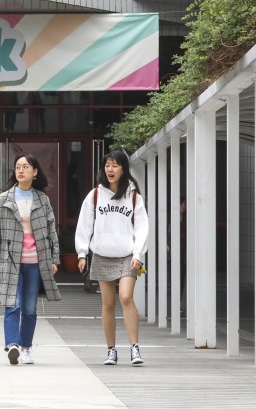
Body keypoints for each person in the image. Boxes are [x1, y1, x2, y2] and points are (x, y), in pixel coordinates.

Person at [0, 153, 62, 365]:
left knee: (29, 308)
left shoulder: (42, 200)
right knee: (12, 304)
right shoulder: (4, 199)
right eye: (18, 166)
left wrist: (54, 258)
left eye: (25, 167)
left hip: (36, 262)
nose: (20, 170)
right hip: (10, 261)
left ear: (35, 172)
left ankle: (25, 347)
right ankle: (12, 345)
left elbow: (51, 231)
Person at [75, 149, 149, 366]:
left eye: (115, 165)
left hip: (128, 256)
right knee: (107, 304)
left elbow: (143, 227)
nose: (110, 169)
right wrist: (81, 253)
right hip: (102, 254)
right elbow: (84, 225)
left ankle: (134, 348)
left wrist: (138, 254)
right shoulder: (95, 195)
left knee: (126, 297)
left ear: (123, 169)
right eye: (107, 165)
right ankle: (111, 350)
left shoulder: (134, 196)